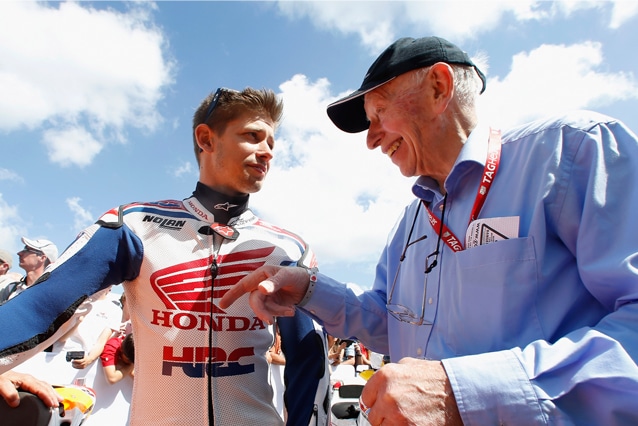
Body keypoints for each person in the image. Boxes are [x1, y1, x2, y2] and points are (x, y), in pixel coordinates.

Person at [220, 36, 638, 425]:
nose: (371, 140)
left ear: (439, 87)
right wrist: (309, 289)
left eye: (379, 113)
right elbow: (390, 322)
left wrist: (463, 392)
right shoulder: (410, 223)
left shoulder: (574, 151)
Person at [0, 87, 330, 425]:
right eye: (253, 136)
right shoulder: (133, 225)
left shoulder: (288, 249)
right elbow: (41, 306)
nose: (266, 152)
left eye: (271, 143)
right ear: (206, 139)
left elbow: (310, 363)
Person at [0, 238, 58, 303]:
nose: (19, 253)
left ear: (42, 258)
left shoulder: (53, 293)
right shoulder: (11, 289)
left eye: (27, 250)